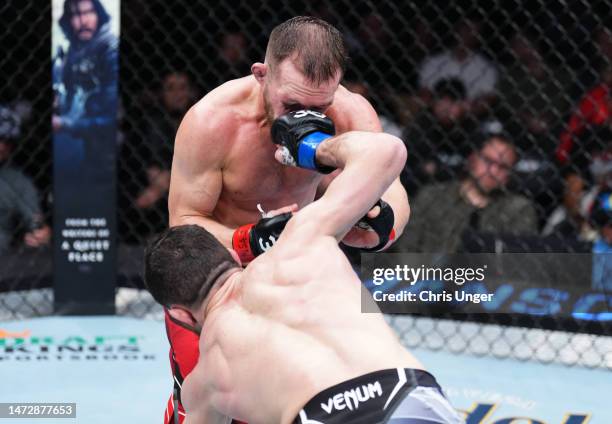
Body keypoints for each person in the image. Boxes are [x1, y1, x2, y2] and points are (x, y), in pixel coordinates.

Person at [165, 16, 410, 423]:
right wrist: (251, 240)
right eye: (293, 106)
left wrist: (382, 222)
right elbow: (185, 225)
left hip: (297, 278)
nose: (306, 120)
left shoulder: (350, 114)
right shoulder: (213, 122)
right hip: (219, 279)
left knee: (296, 401)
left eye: (320, 107)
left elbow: (393, 191)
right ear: (262, 75)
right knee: (205, 403)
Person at [145, 115, 461, 424]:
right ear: (231, 254)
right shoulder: (302, 242)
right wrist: (314, 149)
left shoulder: (207, 378)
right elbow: (388, 150)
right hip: (410, 393)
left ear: (180, 316)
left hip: (323, 414)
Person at [392, 135, 538, 253]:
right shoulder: (433, 196)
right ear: (472, 159)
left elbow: (517, 262)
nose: (493, 171)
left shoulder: (517, 210)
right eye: (488, 161)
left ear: (509, 175)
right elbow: (407, 247)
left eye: (502, 167)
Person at [52, 0, 118, 179]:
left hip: (109, 150)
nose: (83, 21)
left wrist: (66, 123)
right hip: (82, 147)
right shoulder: (74, 51)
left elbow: (111, 115)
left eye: (88, 12)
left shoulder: (110, 51)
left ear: (99, 14)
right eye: (76, 14)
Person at [0, 106, 50, 253]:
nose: (2, 146)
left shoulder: (16, 182)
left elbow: (37, 224)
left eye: (7, 141)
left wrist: (42, 234)